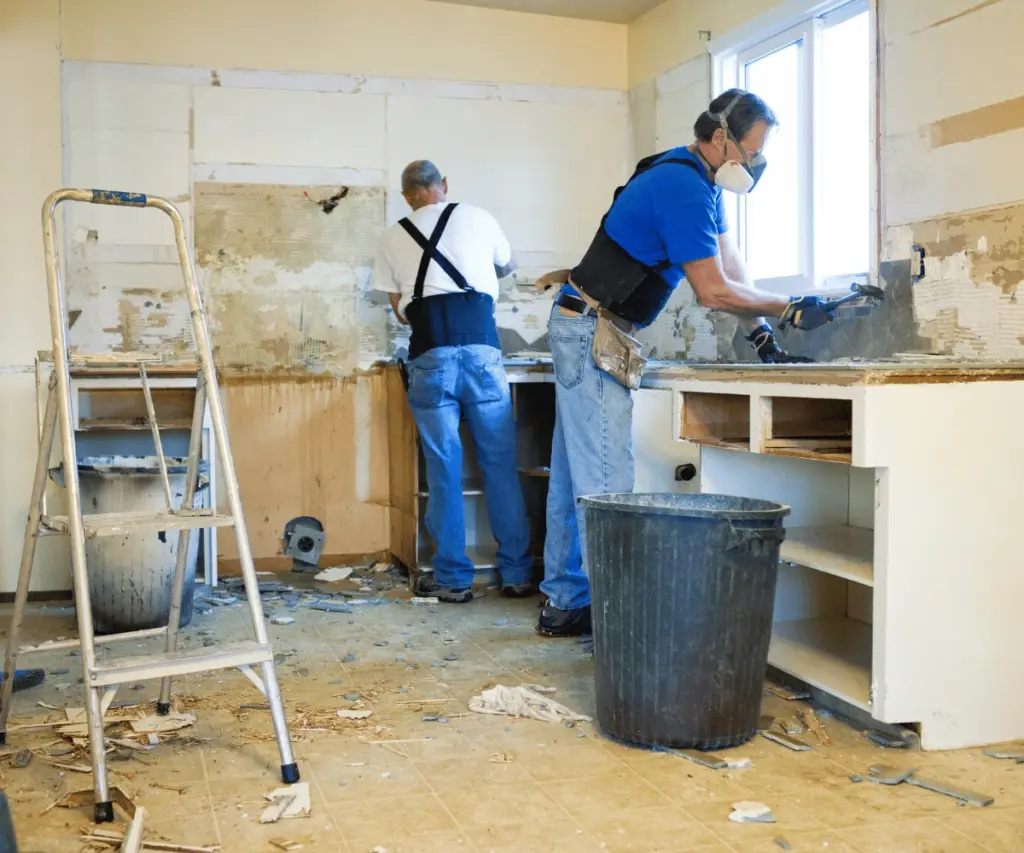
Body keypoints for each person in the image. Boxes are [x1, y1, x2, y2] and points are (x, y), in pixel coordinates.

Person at [536, 89, 836, 637]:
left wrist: (764, 334)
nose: (757, 164)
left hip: (587, 324)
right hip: (592, 328)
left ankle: (566, 601)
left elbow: (731, 268)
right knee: (607, 482)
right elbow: (713, 292)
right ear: (721, 139)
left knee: (575, 476)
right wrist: (791, 303)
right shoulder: (681, 186)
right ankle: (618, 622)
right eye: (753, 151)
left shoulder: (701, 183)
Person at [374, 160, 535, 604]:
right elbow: (508, 265)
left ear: (406, 196)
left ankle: (453, 580)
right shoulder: (478, 216)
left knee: (443, 470)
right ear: (442, 185)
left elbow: (399, 310)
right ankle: (518, 574)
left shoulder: (391, 237)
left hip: (431, 357)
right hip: (483, 353)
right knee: (500, 467)